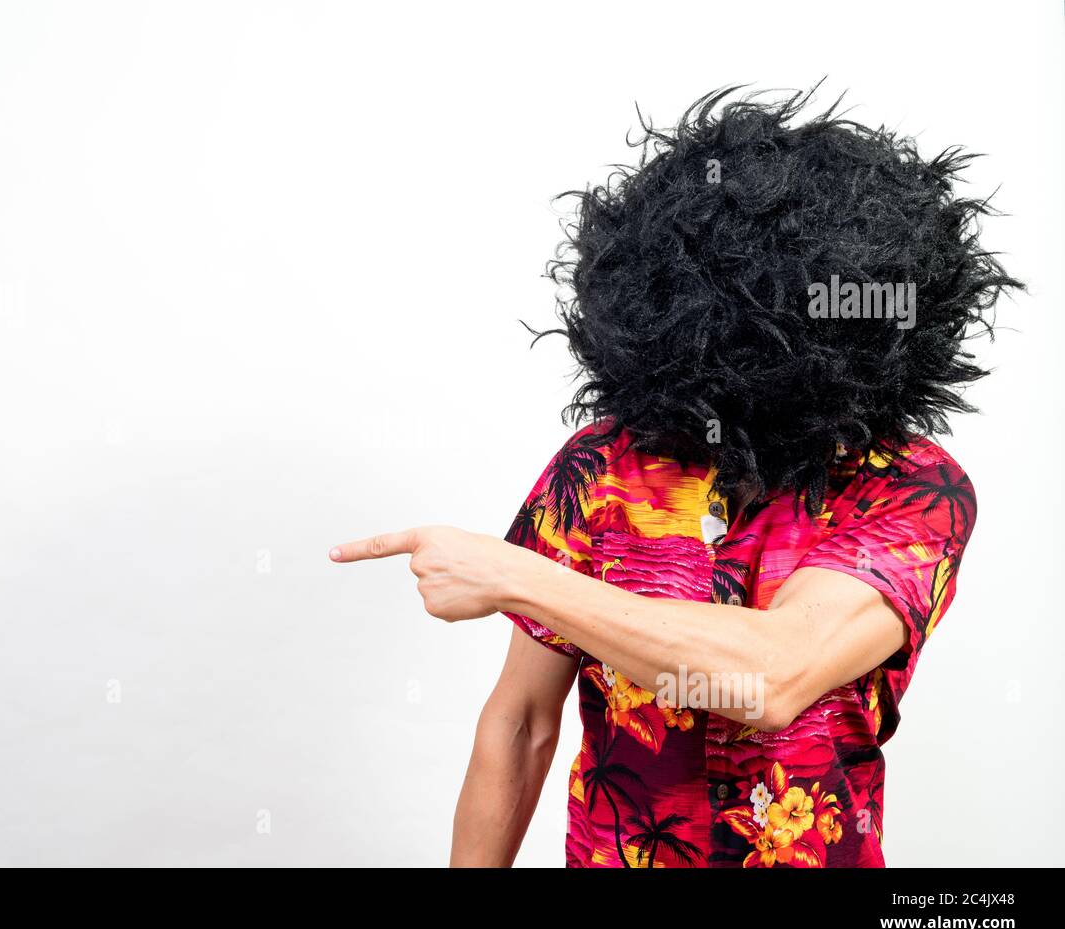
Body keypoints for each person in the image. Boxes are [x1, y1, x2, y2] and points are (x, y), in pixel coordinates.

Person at [330, 86, 1020, 868]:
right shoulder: (601, 469)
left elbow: (772, 672)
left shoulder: (914, 487)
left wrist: (513, 575)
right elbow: (521, 723)